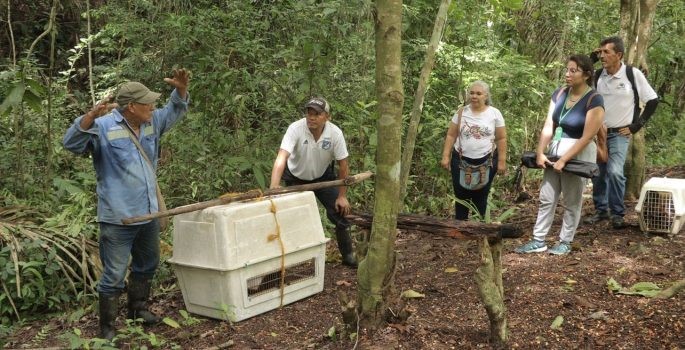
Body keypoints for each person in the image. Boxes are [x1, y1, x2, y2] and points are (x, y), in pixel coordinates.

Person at [63, 69, 190, 341]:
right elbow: (71, 143)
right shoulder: (105, 127)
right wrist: (89, 117)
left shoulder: (151, 122)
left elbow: (174, 110)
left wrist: (180, 90)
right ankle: (107, 327)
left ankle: (137, 309)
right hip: (119, 218)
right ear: (131, 107)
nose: (153, 106)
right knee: (114, 274)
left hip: (149, 213)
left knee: (148, 263)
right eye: (147, 102)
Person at [515, 55, 604, 255]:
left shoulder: (594, 99)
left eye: (573, 70)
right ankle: (539, 239)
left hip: (578, 152)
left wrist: (565, 159)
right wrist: (540, 152)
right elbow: (549, 125)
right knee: (547, 196)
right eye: (567, 69)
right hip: (555, 148)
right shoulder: (560, 93)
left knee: (572, 199)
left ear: (586, 74)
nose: (568, 74)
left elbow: (588, 136)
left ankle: (565, 241)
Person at [270, 97, 357, 267]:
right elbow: (282, 157)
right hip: (296, 178)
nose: (312, 117)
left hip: (323, 176)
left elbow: (343, 165)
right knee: (292, 218)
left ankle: (348, 256)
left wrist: (342, 195)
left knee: (341, 213)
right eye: (309, 113)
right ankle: (291, 261)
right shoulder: (295, 129)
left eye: (317, 114)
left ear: (327, 116)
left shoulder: (335, 134)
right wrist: (274, 186)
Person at [584, 36, 659, 229]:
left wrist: (637, 125)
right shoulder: (598, 76)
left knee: (615, 172)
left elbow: (652, 100)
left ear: (619, 55)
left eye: (606, 52)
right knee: (598, 174)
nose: (602, 56)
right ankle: (601, 211)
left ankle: (617, 214)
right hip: (598, 133)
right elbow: (578, 79)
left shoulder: (632, 74)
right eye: (600, 52)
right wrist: (590, 60)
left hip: (620, 133)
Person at [440, 81, 507, 220]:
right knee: (461, 194)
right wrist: (445, 156)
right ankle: (460, 228)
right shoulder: (461, 112)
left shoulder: (494, 114)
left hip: (486, 160)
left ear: (486, 96)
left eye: (478, 93)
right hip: (460, 160)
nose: (474, 96)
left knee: (481, 195)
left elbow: (501, 139)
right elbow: (451, 135)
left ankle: (481, 228)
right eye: (472, 93)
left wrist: (501, 161)